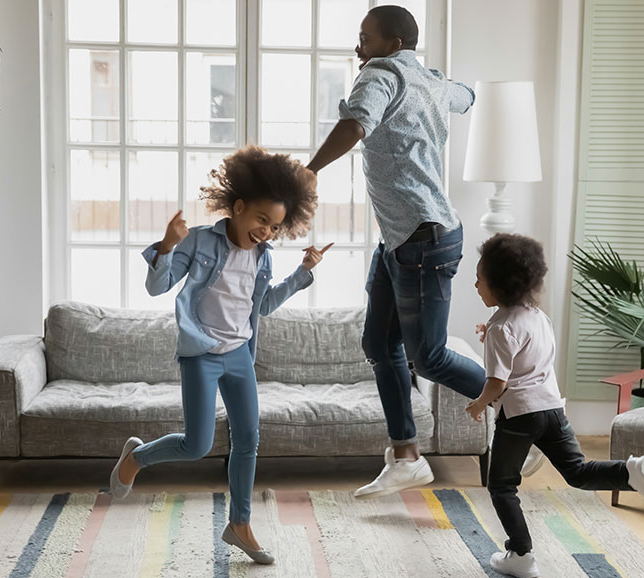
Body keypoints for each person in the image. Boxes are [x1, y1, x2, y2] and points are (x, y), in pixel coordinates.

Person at [306, 4, 543, 498]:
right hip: (402, 238)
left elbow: (356, 124)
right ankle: (407, 456)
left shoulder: (381, 72)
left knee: (429, 357)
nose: (359, 47)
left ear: (392, 44)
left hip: (423, 239)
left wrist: (309, 171)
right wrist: (457, 90)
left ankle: (530, 413)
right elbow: (466, 96)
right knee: (378, 344)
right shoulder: (428, 79)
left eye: (365, 38)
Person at [109, 146, 329, 565]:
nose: (266, 231)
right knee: (197, 445)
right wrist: (168, 247)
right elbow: (158, 287)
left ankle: (240, 523)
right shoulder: (200, 241)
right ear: (240, 207)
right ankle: (136, 458)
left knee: (248, 440)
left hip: (240, 355)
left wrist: (304, 273)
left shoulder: (263, 258)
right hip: (202, 355)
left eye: (274, 226)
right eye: (261, 220)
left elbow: (262, 305)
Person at [466, 233, 644, 578]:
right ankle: (630, 472)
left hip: (518, 416)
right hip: (551, 410)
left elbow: (498, 383)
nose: (475, 284)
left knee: (501, 484)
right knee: (577, 471)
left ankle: (521, 554)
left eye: (480, 279)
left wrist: (478, 404)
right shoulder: (536, 316)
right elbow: (524, 346)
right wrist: (493, 330)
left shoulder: (502, 328)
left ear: (500, 285)